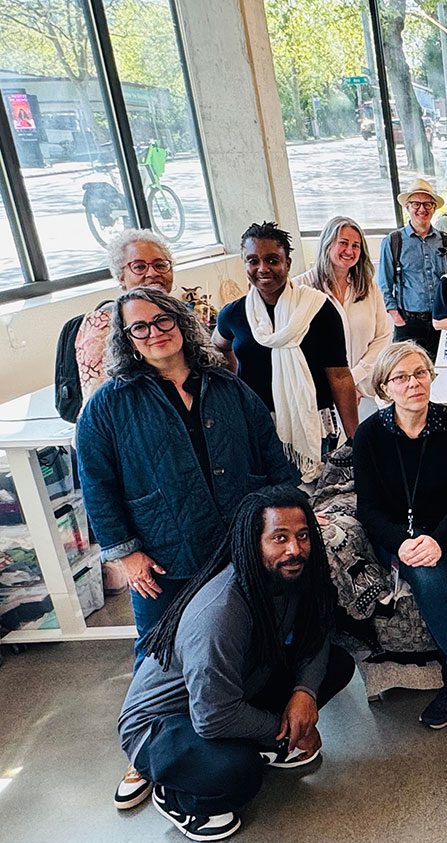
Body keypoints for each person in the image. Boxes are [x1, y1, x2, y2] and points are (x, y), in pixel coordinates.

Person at [76, 288, 297, 811]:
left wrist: (292, 515)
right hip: (164, 558)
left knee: (240, 644)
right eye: (140, 328)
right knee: (159, 654)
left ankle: (229, 729)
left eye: (163, 320)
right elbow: (97, 484)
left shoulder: (225, 384)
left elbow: (269, 451)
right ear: (126, 340)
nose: (155, 332)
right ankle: (149, 754)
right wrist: (125, 554)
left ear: (181, 321)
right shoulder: (110, 403)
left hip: (237, 549)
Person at [117, 487, 353, 842]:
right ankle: (174, 792)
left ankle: (261, 744)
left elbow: (316, 634)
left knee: (336, 664)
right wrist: (287, 730)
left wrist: (304, 694)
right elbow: (213, 717)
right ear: (253, 543)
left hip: (236, 690)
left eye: (303, 536)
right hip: (165, 724)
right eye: (279, 538)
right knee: (238, 774)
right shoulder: (220, 613)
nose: (295, 549)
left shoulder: (293, 574)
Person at [353, 342, 447, 729]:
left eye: (421, 373)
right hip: (403, 534)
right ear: (385, 387)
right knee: (428, 572)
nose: (414, 383)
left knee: (435, 573)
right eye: (401, 377)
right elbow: (367, 509)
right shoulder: (368, 436)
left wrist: (437, 540)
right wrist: (402, 542)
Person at [213, 223, 358, 480]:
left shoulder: (318, 309)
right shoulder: (234, 313)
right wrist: (235, 381)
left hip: (313, 421)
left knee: (317, 494)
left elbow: (339, 376)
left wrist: (356, 440)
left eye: (272, 260)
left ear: (288, 263)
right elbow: (218, 347)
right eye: (253, 261)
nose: (263, 269)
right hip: (258, 425)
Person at [56, 229, 178, 422]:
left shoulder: (177, 315)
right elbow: (96, 400)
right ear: (121, 276)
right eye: (139, 267)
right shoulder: (103, 322)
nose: (153, 273)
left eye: (160, 264)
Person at [296, 215, 390, 423]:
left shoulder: (368, 287)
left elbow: (383, 336)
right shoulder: (301, 289)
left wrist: (352, 379)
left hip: (364, 392)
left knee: (364, 450)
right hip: (319, 395)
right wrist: (340, 387)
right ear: (328, 244)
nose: (350, 251)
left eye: (356, 245)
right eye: (343, 243)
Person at [377, 178, 447, 356]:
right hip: (408, 322)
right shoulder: (393, 241)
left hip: (442, 321)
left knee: (442, 374)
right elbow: (385, 283)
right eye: (416, 204)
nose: (422, 209)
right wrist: (397, 318)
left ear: (434, 208)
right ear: (407, 207)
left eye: (427, 204)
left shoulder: (446, 240)